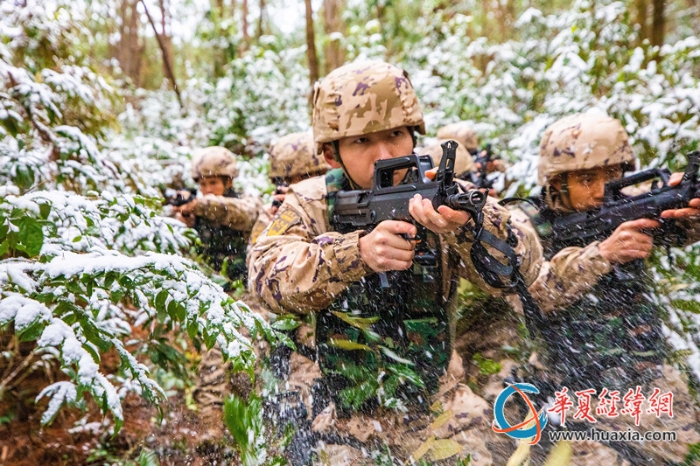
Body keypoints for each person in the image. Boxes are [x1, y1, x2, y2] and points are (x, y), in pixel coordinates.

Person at [248, 60, 544, 465]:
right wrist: (357, 254)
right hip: (343, 410)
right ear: (331, 153)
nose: (384, 154)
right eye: (361, 142)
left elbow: (524, 267)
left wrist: (469, 227)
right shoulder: (310, 203)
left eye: (395, 135)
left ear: (413, 135)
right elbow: (264, 277)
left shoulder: (443, 192)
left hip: (438, 403)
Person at [522, 112, 700, 465]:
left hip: (647, 383)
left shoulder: (629, 209)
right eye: (587, 178)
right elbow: (536, 290)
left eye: (614, 174)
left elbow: (680, 229)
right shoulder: (530, 226)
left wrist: (687, 207)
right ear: (556, 183)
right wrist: (602, 254)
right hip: (572, 393)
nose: (603, 189)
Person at [172, 146, 264, 448]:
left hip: (249, 294)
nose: (208, 189)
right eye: (203, 184)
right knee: (216, 359)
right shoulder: (195, 211)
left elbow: (241, 214)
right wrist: (181, 222)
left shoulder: (244, 203)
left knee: (240, 361)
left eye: (214, 183)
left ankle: (240, 429)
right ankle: (216, 429)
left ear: (228, 181)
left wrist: (201, 205)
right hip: (213, 297)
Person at [250, 131, 330, 246]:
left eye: (304, 177)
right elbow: (256, 259)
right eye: (286, 180)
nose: (294, 186)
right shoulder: (269, 213)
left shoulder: (336, 203)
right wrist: (276, 224)